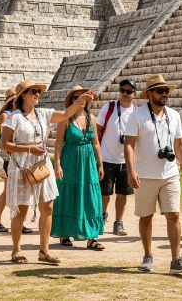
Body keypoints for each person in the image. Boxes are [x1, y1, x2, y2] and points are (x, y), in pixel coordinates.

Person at [0, 79, 93, 265]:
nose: (37, 94)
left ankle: (44, 251)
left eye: (38, 91)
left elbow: (67, 113)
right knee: (21, 210)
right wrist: (28, 149)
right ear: (23, 95)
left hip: (41, 164)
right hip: (22, 165)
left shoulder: (43, 113)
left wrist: (80, 100)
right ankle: (16, 250)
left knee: (48, 207)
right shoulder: (14, 118)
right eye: (33, 91)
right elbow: (4, 144)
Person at [124, 74, 182, 273]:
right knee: (146, 217)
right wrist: (131, 171)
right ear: (149, 93)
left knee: (174, 215)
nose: (165, 94)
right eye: (160, 91)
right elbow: (128, 145)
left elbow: (179, 145)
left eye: (166, 91)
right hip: (144, 175)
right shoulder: (137, 116)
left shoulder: (174, 115)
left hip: (169, 174)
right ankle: (148, 255)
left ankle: (176, 260)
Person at [52, 86, 105, 250]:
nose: (81, 100)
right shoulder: (65, 119)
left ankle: (91, 237)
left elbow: (95, 143)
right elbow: (58, 144)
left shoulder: (92, 119)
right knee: (67, 195)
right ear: (72, 100)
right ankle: (64, 233)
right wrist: (57, 164)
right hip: (69, 160)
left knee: (90, 196)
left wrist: (100, 164)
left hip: (88, 162)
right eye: (77, 97)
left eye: (84, 97)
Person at [95, 79, 137, 236]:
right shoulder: (109, 107)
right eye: (122, 90)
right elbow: (97, 130)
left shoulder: (136, 112)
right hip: (106, 158)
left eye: (129, 91)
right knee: (104, 193)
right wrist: (96, 156)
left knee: (122, 193)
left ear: (134, 94)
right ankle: (102, 216)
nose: (125, 94)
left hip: (126, 161)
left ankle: (118, 222)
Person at [0, 88, 31, 234]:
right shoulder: (6, 115)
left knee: (22, 191)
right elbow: (7, 138)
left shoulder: (22, 114)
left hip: (22, 156)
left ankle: (19, 221)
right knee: (9, 190)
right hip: (9, 157)